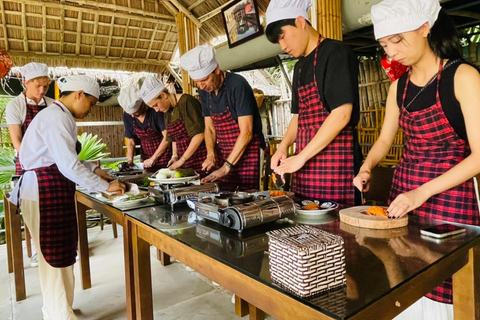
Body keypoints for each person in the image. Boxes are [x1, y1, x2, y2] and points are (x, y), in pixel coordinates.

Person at [353, 0, 480, 318]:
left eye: (397, 40)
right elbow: (384, 139)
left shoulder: (462, 77)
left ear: (425, 28)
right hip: (405, 191)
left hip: (453, 195)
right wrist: (367, 167)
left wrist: (422, 192)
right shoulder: (399, 88)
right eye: (384, 44)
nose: (391, 51)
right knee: (405, 272)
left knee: (448, 281)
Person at [9, 75, 125, 320]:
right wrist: (105, 186)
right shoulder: (55, 117)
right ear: (79, 94)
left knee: (59, 254)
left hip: (52, 187)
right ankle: (59, 314)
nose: (91, 110)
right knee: (53, 257)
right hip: (43, 189)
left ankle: (59, 308)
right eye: (91, 104)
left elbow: (63, 157)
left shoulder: (59, 116)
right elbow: (68, 166)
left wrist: (95, 169)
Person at [265, 0, 360, 204]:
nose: (283, 46)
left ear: (300, 22)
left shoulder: (336, 53)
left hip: (337, 165)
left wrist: (300, 157)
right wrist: (283, 148)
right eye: (278, 43)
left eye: (283, 37)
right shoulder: (299, 68)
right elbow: (299, 116)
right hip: (306, 168)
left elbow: (342, 114)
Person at [180, 45, 265, 191]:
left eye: (205, 79)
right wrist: (211, 155)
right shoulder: (205, 91)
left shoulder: (237, 84)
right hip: (225, 151)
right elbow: (209, 128)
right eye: (197, 82)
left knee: (247, 196)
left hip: (249, 152)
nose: (201, 86)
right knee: (225, 193)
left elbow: (247, 132)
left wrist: (227, 166)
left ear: (217, 70)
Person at [6, 62, 54, 267]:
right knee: (33, 208)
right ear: (26, 83)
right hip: (28, 163)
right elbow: (16, 139)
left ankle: (58, 246)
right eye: (38, 86)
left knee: (54, 205)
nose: (42, 90)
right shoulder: (15, 106)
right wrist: (29, 161)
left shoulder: (51, 104)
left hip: (52, 162)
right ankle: (36, 250)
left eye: (45, 86)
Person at [138, 77, 207, 172]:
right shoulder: (167, 111)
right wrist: (175, 156)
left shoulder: (186, 101)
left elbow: (199, 134)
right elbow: (174, 138)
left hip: (201, 159)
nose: (156, 110)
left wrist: (183, 159)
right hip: (185, 164)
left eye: (156, 105)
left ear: (163, 95)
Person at [119, 85, 171, 172]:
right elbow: (130, 141)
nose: (132, 116)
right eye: (130, 113)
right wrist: (130, 160)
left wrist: (154, 158)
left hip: (165, 154)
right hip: (145, 156)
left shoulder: (155, 111)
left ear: (142, 104)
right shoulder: (128, 116)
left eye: (135, 113)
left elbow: (167, 137)